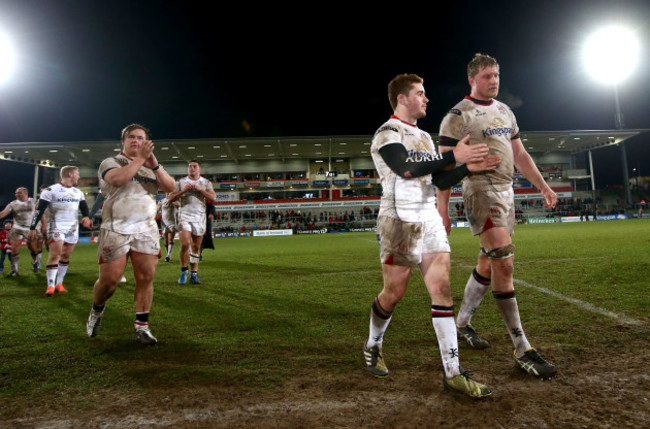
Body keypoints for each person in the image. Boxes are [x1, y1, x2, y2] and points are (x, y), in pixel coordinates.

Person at [363, 73, 501, 398]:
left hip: (428, 218)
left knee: (441, 289)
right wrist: (456, 156)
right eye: (420, 93)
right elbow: (406, 168)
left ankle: (453, 372)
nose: (426, 99)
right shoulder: (388, 132)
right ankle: (373, 344)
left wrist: (469, 169)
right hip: (399, 219)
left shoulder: (425, 136)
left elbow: (438, 180)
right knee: (394, 293)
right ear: (402, 98)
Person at [436, 53, 558, 378]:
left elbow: (519, 154)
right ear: (472, 79)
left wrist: (543, 187)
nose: (495, 80)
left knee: (488, 262)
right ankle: (523, 349)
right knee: (504, 261)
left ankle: (462, 324)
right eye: (488, 76)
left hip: (507, 191)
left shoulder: (505, 111)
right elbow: (444, 166)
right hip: (479, 190)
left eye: (497, 75)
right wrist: (443, 210)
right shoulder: (457, 116)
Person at [85, 123, 175, 345]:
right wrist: (139, 160)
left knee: (146, 277)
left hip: (146, 229)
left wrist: (154, 165)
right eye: (132, 137)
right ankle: (97, 309)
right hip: (116, 228)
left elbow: (171, 187)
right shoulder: (111, 162)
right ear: (123, 141)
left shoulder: (149, 167)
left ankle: (142, 327)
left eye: (141, 138)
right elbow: (117, 179)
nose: (136, 141)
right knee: (110, 282)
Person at [28, 166, 93, 296]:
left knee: (66, 256)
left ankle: (59, 283)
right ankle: (50, 285)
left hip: (73, 228)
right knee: (55, 255)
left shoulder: (78, 192)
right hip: (57, 226)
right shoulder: (50, 190)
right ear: (70, 174)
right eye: (77, 173)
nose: (78, 176)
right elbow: (39, 210)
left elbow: (84, 209)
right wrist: (32, 227)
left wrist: (86, 217)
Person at [167, 160, 216, 285]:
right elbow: (170, 198)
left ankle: (194, 273)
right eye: (190, 167)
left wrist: (201, 190)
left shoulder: (205, 182)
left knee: (195, 247)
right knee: (184, 244)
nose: (192, 168)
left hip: (199, 217)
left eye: (194, 166)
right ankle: (184, 271)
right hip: (185, 216)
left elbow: (212, 197)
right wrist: (183, 191)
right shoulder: (181, 182)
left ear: (199, 169)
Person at [0, 187, 41, 276]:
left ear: (26, 193)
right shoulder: (13, 204)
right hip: (17, 228)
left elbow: (40, 214)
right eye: (16, 193)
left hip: (30, 229)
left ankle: (35, 262)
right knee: (14, 248)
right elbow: (3, 213)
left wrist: (41, 226)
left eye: (19, 193)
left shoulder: (34, 202)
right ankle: (15, 270)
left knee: (33, 249)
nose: (17, 194)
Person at [158, 193, 180, 262]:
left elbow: (178, 206)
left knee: (171, 239)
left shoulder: (175, 201)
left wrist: (172, 201)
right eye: (167, 193)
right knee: (165, 241)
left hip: (172, 223)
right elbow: (157, 208)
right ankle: (168, 254)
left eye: (170, 193)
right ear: (165, 193)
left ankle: (168, 255)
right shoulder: (161, 201)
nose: (168, 194)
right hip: (164, 223)